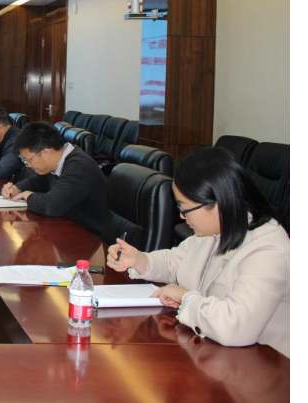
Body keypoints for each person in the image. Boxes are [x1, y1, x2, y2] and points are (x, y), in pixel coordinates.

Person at [106, 148, 289, 357]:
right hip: (212, 352)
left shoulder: (268, 250)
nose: (182, 217)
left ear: (218, 203)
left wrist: (185, 297)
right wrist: (138, 259)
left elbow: (235, 326)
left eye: (185, 209)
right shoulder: (216, 230)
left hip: (262, 365)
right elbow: (174, 262)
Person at [1, 121, 110, 237]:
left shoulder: (79, 167)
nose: (28, 165)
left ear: (46, 153)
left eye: (28, 160)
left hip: (87, 238)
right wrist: (17, 188)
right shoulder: (57, 161)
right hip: (65, 228)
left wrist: (28, 196)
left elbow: (51, 206)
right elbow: (37, 181)